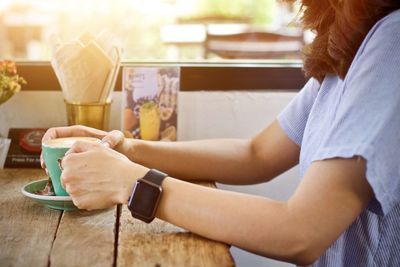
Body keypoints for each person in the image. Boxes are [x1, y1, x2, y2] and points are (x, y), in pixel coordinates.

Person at [41, 1, 400, 265]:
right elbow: (256, 155)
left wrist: (133, 184)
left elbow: (300, 232)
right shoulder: (352, 42)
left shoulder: (392, 41)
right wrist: (128, 149)